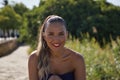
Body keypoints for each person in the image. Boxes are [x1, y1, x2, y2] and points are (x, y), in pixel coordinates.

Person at [28, 15, 86, 80]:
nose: (56, 39)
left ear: (66, 35)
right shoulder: (34, 58)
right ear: (44, 36)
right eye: (51, 34)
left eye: (61, 34)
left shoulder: (77, 59)